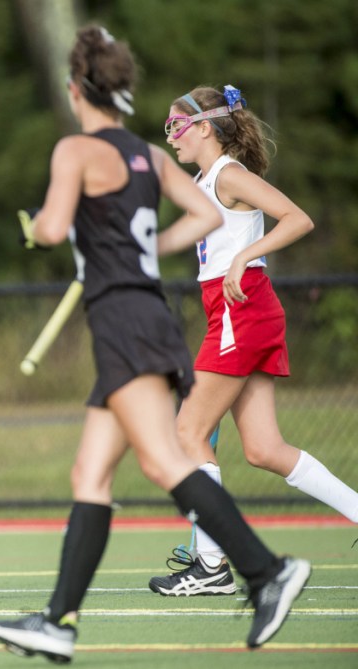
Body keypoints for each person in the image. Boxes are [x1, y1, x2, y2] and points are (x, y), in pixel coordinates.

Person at [0, 26, 310, 661]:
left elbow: (51, 227)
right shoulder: (150, 156)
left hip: (124, 323)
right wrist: (142, 249)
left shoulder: (75, 149)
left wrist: (38, 228)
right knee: (91, 473)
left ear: (76, 89)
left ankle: (266, 572)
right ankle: (58, 621)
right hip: (141, 316)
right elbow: (208, 216)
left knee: (166, 460)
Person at [146, 84, 357, 597]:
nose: (171, 136)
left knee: (187, 431)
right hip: (242, 314)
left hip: (243, 311)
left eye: (175, 127)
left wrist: (245, 256)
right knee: (264, 449)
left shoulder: (230, 175)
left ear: (202, 128)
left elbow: (298, 218)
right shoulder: (205, 181)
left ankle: (212, 566)